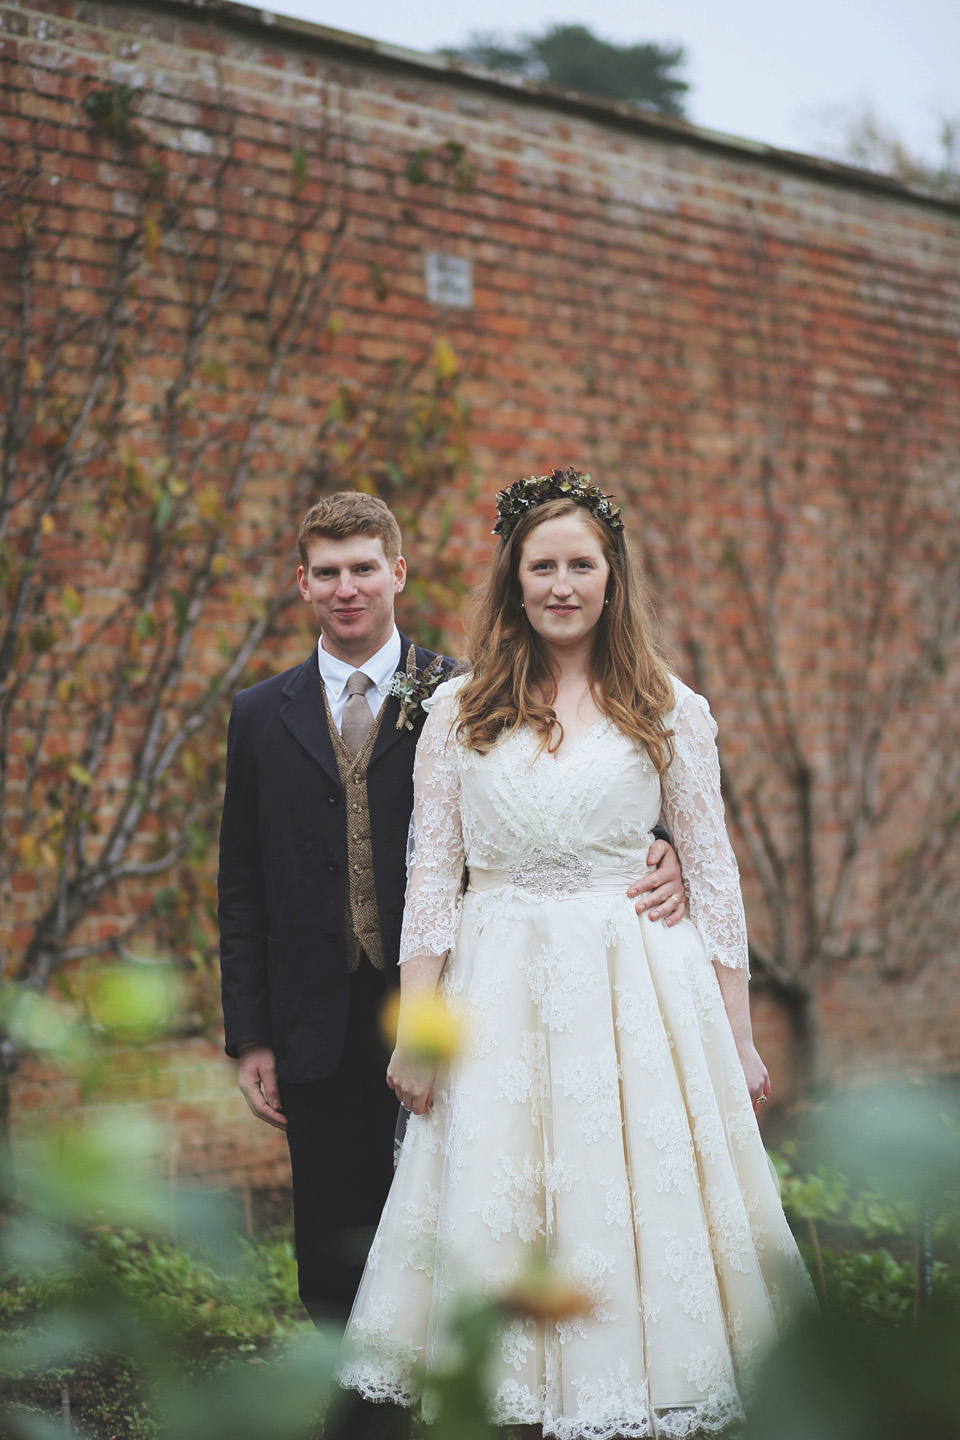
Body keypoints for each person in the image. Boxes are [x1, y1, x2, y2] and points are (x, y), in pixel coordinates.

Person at [339, 470, 813, 1438]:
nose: (562, 584)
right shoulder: (458, 712)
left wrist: (740, 1035)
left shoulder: (671, 708)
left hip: (635, 991)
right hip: (495, 994)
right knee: (504, 1211)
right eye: (542, 565)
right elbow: (432, 880)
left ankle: (633, 1387)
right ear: (514, 580)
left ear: (612, 577)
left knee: (628, 1207)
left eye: (581, 565)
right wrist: (417, 1033)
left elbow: (713, 876)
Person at [217, 492, 688, 1433]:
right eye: (326, 571)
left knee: (462, 1232)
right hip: (316, 1019)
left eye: (364, 567)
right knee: (331, 1253)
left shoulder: (472, 692)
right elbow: (243, 886)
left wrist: (664, 843)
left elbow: (574, 793)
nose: (345, 588)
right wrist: (250, 1036)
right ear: (300, 582)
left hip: (461, 1012)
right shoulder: (259, 714)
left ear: (399, 572)